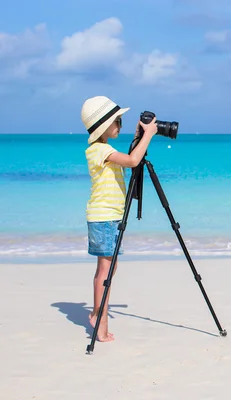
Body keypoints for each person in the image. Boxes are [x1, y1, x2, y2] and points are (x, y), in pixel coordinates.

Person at [82, 96, 157, 342]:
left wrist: (138, 137)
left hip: (111, 216)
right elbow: (133, 161)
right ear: (105, 125)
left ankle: (96, 312)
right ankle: (99, 322)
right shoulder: (99, 150)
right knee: (105, 269)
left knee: (110, 267)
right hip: (103, 217)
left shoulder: (105, 149)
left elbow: (129, 159)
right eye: (118, 121)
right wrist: (149, 135)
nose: (121, 125)